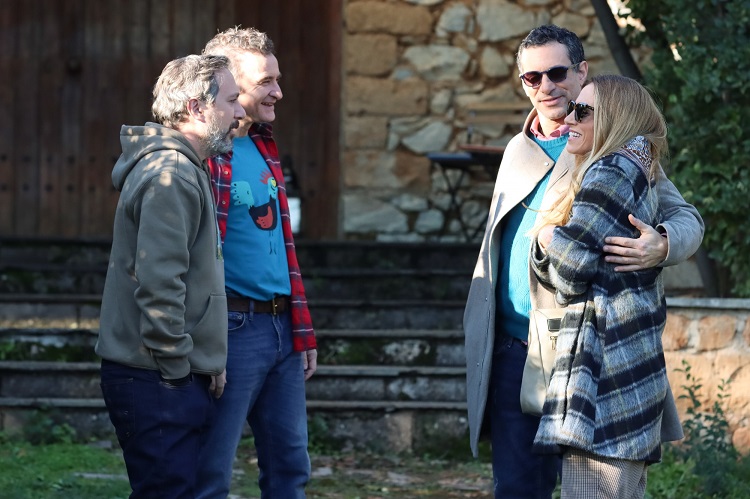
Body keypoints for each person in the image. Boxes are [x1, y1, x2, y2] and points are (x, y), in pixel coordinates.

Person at [463, 25, 704, 498]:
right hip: (513, 347)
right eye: (532, 77)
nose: (546, 86)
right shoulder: (516, 150)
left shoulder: (614, 148)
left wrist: (661, 243)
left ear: (581, 72)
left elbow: (686, 218)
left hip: (581, 348)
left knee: (590, 484)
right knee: (516, 488)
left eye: (557, 73)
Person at [96, 54, 246, 498]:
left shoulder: (183, 167)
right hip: (156, 377)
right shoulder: (173, 173)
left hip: (162, 373)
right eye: (232, 101)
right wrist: (179, 370)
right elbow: (160, 285)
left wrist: (206, 362)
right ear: (197, 108)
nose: (240, 112)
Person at [530, 74, 680, 498]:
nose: (569, 119)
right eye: (571, 109)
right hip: (629, 372)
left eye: (583, 111)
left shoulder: (611, 170)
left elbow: (571, 269)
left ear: (616, 118)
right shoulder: (636, 169)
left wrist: (548, 238)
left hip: (604, 383)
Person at [196, 27, 318, 499]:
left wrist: (301, 329)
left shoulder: (264, 144)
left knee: (291, 469)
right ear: (228, 84)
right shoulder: (206, 155)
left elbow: (282, 250)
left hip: (281, 328)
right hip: (232, 329)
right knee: (210, 473)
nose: (278, 92)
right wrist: (205, 341)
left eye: (277, 79)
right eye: (266, 81)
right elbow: (193, 255)